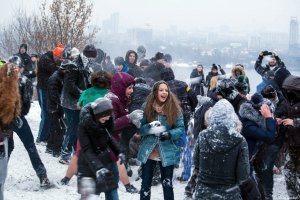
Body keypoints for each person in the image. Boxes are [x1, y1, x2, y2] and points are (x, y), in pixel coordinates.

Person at [7, 56, 51, 188]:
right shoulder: (23, 81)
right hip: (14, 119)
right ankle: (42, 176)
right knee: (28, 146)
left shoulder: (7, 80)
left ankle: (42, 176)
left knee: (7, 148)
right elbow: (26, 105)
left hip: (7, 119)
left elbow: (26, 105)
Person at [192, 99, 250, 200]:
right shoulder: (240, 140)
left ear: (212, 116)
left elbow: (196, 163)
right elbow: (243, 175)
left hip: (203, 193)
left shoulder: (202, 136)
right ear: (232, 117)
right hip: (230, 194)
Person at [138, 80, 185, 200]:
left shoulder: (175, 109)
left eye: (166, 90)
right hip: (149, 151)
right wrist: (150, 127)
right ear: (155, 92)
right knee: (145, 185)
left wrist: (169, 134)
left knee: (167, 184)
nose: (164, 92)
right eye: (161, 90)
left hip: (167, 150)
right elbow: (141, 129)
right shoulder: (146, 107)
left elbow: (180, 128)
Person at [77, 97, 125, 200]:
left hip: (106, 162)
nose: (108, 118)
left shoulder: (105, 122)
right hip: (88, 165)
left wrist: (119, 152)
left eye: (109, 115)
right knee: (89, 197)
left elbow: (108, 138)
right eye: (105, 115)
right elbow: (86, 149)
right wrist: (99, 168)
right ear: (98, 113)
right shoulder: (84, 126)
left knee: (112, 193)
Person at [105, 72, 142, 193]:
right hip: (107, 139)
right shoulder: (111, 100)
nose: (132, 91)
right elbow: (111, 124)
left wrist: (133, 121)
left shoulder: (119, 98)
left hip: (114, 139)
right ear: (120, 86)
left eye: (132, 88)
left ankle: (125, 185)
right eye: (129, 88)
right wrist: (129, 118)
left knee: (119, 161)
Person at [59, 45, 93, 164]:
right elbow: (69, 85)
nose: (92, 60)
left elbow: (86, 83)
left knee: (77, 128)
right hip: (70, 102)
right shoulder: (74, 66)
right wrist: (82, 94)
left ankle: (74, 153)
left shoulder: (86, 66)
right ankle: (65, 154)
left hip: (78, 102)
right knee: (72, 128)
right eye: (91, 57)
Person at [0, 62, 21, 200]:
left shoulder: (12, 89)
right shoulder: (5, 89)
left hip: (4, 136)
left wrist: (15, 118)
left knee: (2, 176)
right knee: (0, 177)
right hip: (1, 138)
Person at [36, 43, 64, 143]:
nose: (59, 59)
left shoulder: (53, 59)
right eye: (58, 57)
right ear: (55, 55)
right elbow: (54, 68)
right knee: (45, 113)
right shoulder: (45, 59)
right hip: (42, 88)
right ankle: (41, 138)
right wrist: (62, 64)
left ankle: (46, 136)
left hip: (48, 89)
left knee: (49, 113)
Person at [279, 75, 300, 199]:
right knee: (289, 176)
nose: (288, 93)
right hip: (291, 146)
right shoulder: (286, 102)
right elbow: (282, 113)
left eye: (291, 91)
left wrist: (295, 122)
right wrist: (280, 120)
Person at [46, 61, 68, 157]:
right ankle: (56, 150)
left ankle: (50, 147)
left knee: (55, 127)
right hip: (54, 107)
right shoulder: (55, 78)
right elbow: (53, 95)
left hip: (56, 105)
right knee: (59, 128)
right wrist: (62, 102)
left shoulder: (60, 76)